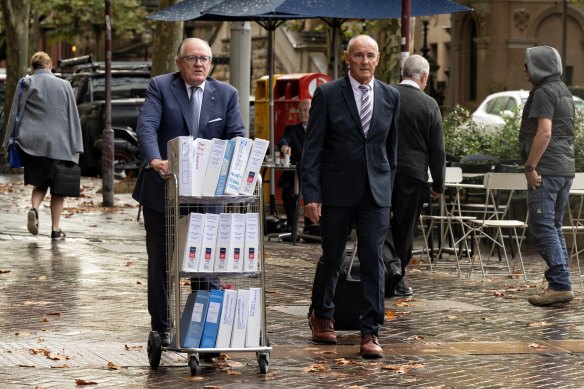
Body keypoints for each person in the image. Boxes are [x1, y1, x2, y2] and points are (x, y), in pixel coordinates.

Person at [132, 38, 245, 346]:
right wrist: (155, 159)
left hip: (208, 197)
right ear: (179, 62)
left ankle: (203, 331)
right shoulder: (160, 86)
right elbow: (147, 126)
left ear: (210, 64)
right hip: (164, 191)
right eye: (192, 58)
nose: (199, 63)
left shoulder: (226, 94)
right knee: (162, 263)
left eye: (205, 59)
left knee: (206, 265)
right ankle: (163, 327)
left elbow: (236, 136)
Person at [302, 34, 399, 359]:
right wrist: (311, 195)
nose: (365, 61)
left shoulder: (390, 96)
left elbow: (391, 150)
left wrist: (390, 192)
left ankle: (370, 331)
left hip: (376, 193)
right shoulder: (328, 94)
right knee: (333, 257)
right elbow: (312, 147)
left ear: (378, 60)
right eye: (359, 55)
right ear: (348, 58)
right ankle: (323, 315)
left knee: (374, 260)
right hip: (337, 191)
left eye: (370, 55)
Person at [2, 51, 83, 240]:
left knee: (39, 184)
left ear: (33, 66)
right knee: (58, 190)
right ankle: (55, 229)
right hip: (60, 145)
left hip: (33, 144)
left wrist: (7, 142)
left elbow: (15, 113)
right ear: (50, 64)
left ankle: (34, 209)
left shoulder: (26, 82)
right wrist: (77, 145)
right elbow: (73, 115)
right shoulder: (65, 85)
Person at [383, 54, 445, 297]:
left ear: (403, 71)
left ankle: (385, 269)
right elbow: (437, 150)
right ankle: (396, 277)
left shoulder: (385, 95)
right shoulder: (429, 104)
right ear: (425, 77)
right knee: (405, 228)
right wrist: (439, 184)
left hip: (383, 171)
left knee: (378, 222)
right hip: (414, 175)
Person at [519, 46, 575, 306]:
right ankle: (561, 283)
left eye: (528, 64)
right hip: (564, 169)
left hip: (547, 170)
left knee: (542, 227)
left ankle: (560, 284)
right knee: (553, 226)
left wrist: (530, 167)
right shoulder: (563, 89)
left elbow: (545, 132)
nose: (525, 69)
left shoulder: (543, 92)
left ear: (539, 66)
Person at [277, 99, 314, 235]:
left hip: (314, 174)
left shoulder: (318, 129)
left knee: (316, 194)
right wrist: (283, 146)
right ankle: (292, 229)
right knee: (287, 193)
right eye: (300, 110)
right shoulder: (291, 129)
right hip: (294, 175)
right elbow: (284, 139)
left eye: (305, 110)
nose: (302, 113)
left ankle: (311, 228)